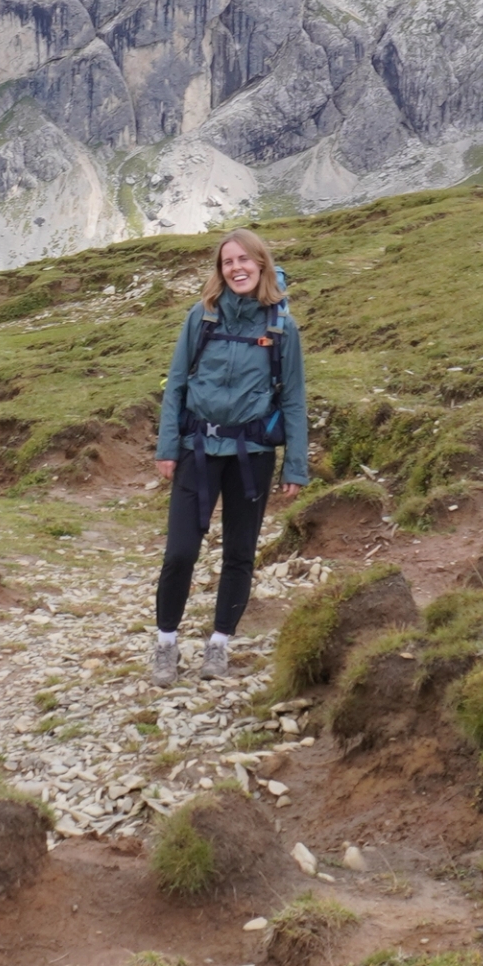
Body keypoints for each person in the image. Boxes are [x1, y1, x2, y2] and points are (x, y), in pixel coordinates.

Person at [150, 229, 307, 682]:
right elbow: (176, 383)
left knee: (239, 553)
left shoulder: (282, 327)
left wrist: (295, 464)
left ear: (261, 264)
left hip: (252, 454)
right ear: (220, 270)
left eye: (244, 260)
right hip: (196, 449)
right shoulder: (201, 317)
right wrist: (167, 447)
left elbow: (294, 398)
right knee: (180, 553)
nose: (235, 268)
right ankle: (166, 644)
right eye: (227, 262)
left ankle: (219, 645)